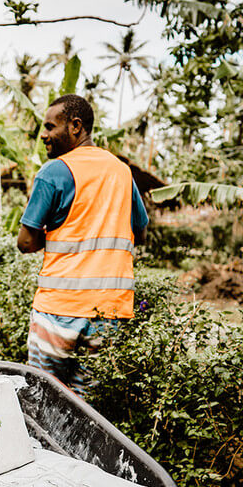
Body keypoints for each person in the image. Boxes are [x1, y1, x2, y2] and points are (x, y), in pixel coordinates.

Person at [16, 94, 148, 393]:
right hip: (109, 316)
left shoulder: (54, 172)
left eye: (50, 127)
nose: (44, 135)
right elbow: (139, 233)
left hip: (58, 310)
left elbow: (25, 242)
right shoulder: (121, 171)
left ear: (75, 126)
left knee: (44, 401)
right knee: (88, 412)